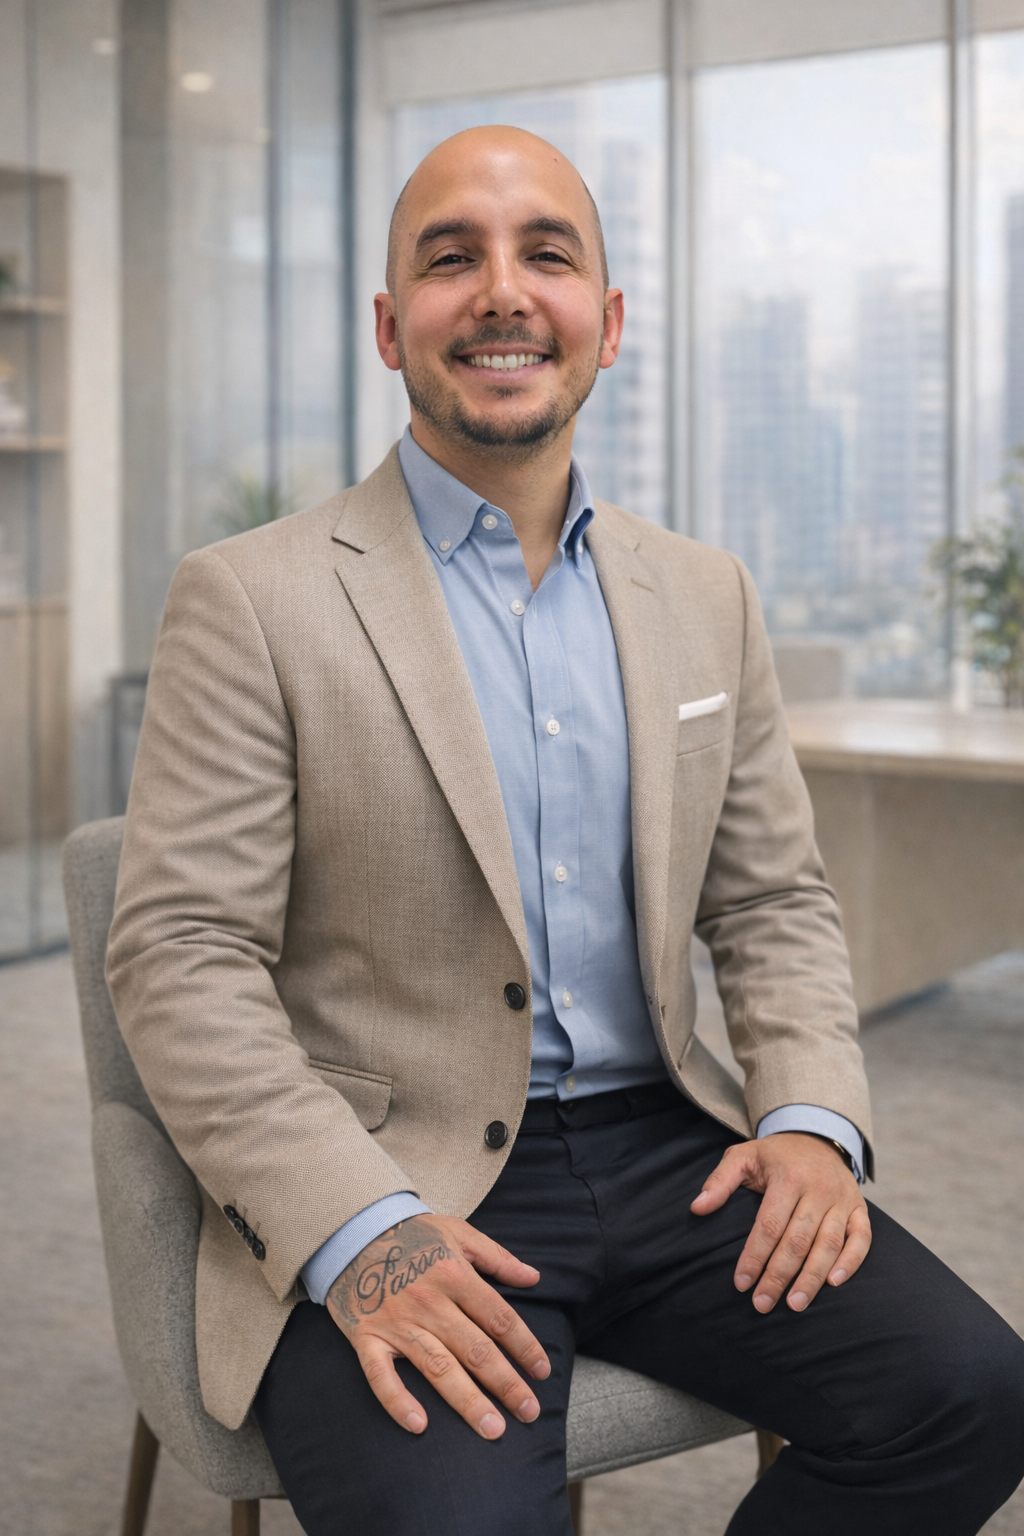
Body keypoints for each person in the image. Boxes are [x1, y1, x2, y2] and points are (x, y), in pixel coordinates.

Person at [106, 127, 1024, 1535]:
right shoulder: (251, 598)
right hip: (398, 1167)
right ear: (387, 326)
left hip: (674, 1148)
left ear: (608, 323)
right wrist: (360, 1235)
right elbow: (180, 953)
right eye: (448, 256)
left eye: (547, 252)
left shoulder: (704, 590)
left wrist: (810, 1123)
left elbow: (775, 900)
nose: (501, 290)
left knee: (971, 1395)